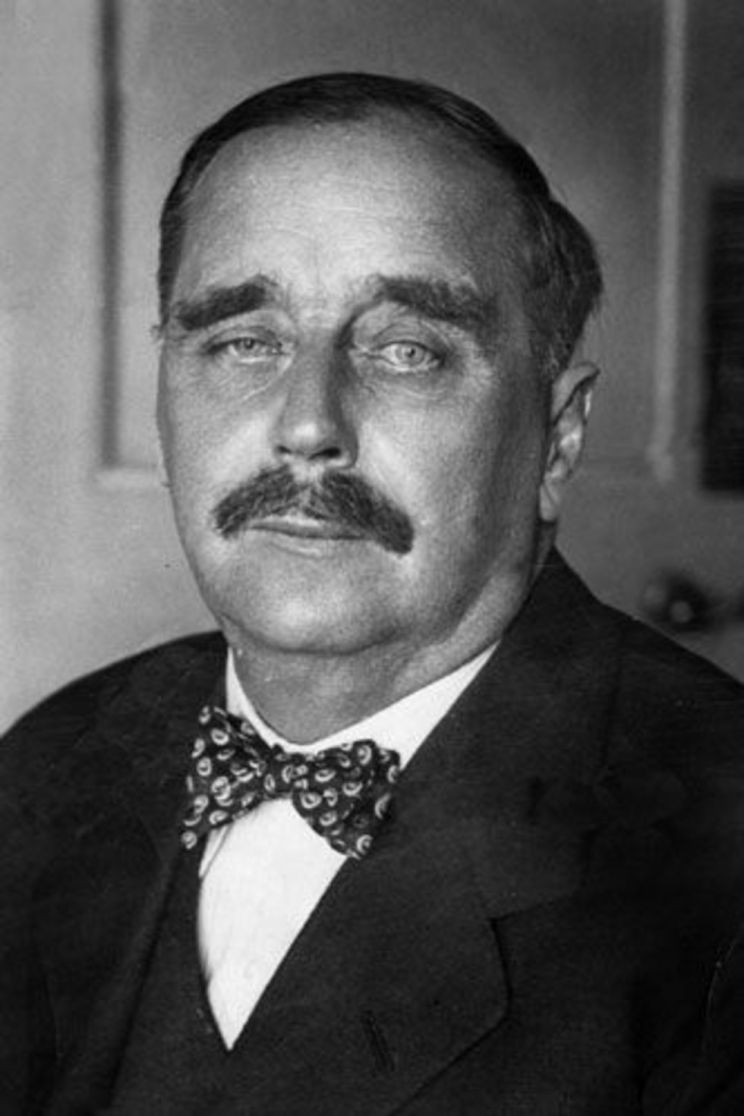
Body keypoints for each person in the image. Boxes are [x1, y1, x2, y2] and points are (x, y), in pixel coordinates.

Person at [1, 72, 744, 1115]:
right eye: (245, 342)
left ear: (558, 438)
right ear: (164, 406)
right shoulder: (54, 757)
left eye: (407, 351)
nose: (308, 424)